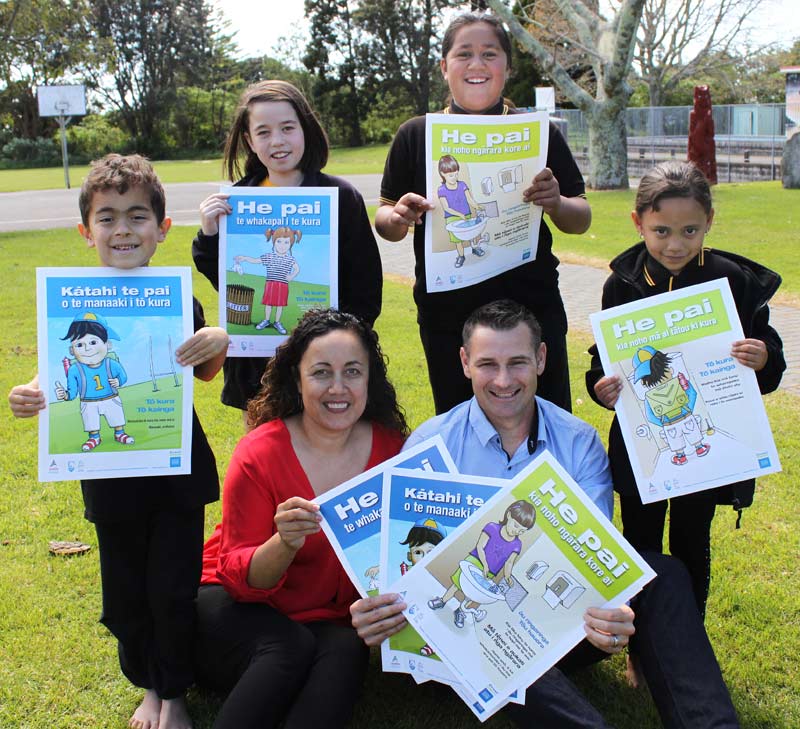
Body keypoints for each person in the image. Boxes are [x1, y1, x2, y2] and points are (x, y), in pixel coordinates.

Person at [352, 299, 739, 728]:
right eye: (487, 364)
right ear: (465, 363)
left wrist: (611, 606)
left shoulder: (578, 442)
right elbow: (400, 563)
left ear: (541, 358)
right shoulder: (430, 445)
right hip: (464, 627)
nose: (502, 380)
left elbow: (593, 560)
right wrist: (378, 603)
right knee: (500, 636)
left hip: (559, 626)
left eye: (517, 362)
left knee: (662, 574)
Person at [8, 154, 228, 729]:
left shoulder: (180, 296)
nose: (123, 229)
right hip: (110, 483)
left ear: (162, 229)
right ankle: (148, 684)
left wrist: (216, 340)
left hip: (177, 477)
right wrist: (31, 392)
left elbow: (202, 374)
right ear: (87, 233)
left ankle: (173, 693)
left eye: (137, 216)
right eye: (107, 218)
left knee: (172, 591)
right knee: (125, 598)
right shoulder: (71, 299)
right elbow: (57, 375)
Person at [585, 161, 785, 616]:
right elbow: (603, 361)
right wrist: (602, 389)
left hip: (707, 451)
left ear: (709, 222)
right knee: (640, 541)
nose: (675, 244)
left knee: (693, 540)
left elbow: (768, 354)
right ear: (638, 223)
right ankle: (642, 646)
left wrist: (763, 358)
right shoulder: (622, 285)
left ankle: (689, 638)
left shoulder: (733, 280)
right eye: (660, 231)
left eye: (690, 231)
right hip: (644, 449)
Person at [194, 308, 408, 729]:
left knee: (346, 651)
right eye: (321, 373)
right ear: (297, 379)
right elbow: (240, 580)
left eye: (352, 371)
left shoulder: (393, 453)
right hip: (233, 605)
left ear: (370, 379)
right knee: (288, 646)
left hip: (325, 619)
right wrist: (284, 542)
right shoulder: (260, 452)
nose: (338, 388)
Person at [375, 11, 591, 416]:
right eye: (464, 54)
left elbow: (580, 217)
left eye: (490, 54)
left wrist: (557, 202)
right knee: (462, 426)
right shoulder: (416, 134)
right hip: (448, 313)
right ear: (444, 66)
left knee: (546, 421)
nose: (477, 65)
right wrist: (400, 216)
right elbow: (384, 220)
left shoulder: (538, 131)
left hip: (531, 303)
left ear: (507, 68)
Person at [193, 80, 383, 429]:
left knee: (329, 460)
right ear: (249, 141)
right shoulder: (236, 200)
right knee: (264, 459)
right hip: (257, 367)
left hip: (327, 364)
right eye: (263, 132)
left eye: (287, 128)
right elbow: (218, 271)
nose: (277, 141)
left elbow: (366, 288)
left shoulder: (340, 196)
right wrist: (209, 232)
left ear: (305, 130)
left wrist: (340, 346)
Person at [55, 311, 135, 450]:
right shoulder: (75, 370)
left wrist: (118, 382)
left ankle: (119, 433)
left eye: (93, 342)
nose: (87, 349)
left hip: (110, 397)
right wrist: (65, 395)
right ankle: (94, 438)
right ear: (72, 350)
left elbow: (123, 376)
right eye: (79, 345)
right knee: (90, 419)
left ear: (107, 344)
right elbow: (72, 392)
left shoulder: (111, 363)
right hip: (88, 401)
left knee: (116, 415)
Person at [233, 225, 302, 333]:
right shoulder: (269, 256)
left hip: (282, 285)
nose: (282, 246)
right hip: (271, 284)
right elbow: (256, 260)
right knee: (268, 303)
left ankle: (277, 322)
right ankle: (266, 320)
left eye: (286, 243)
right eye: (279, 242)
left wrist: (291, 276)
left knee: (280, 305)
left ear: (290, 244)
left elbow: (297, 269)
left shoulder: (290, 259)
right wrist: (245, 258)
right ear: (274, 242)